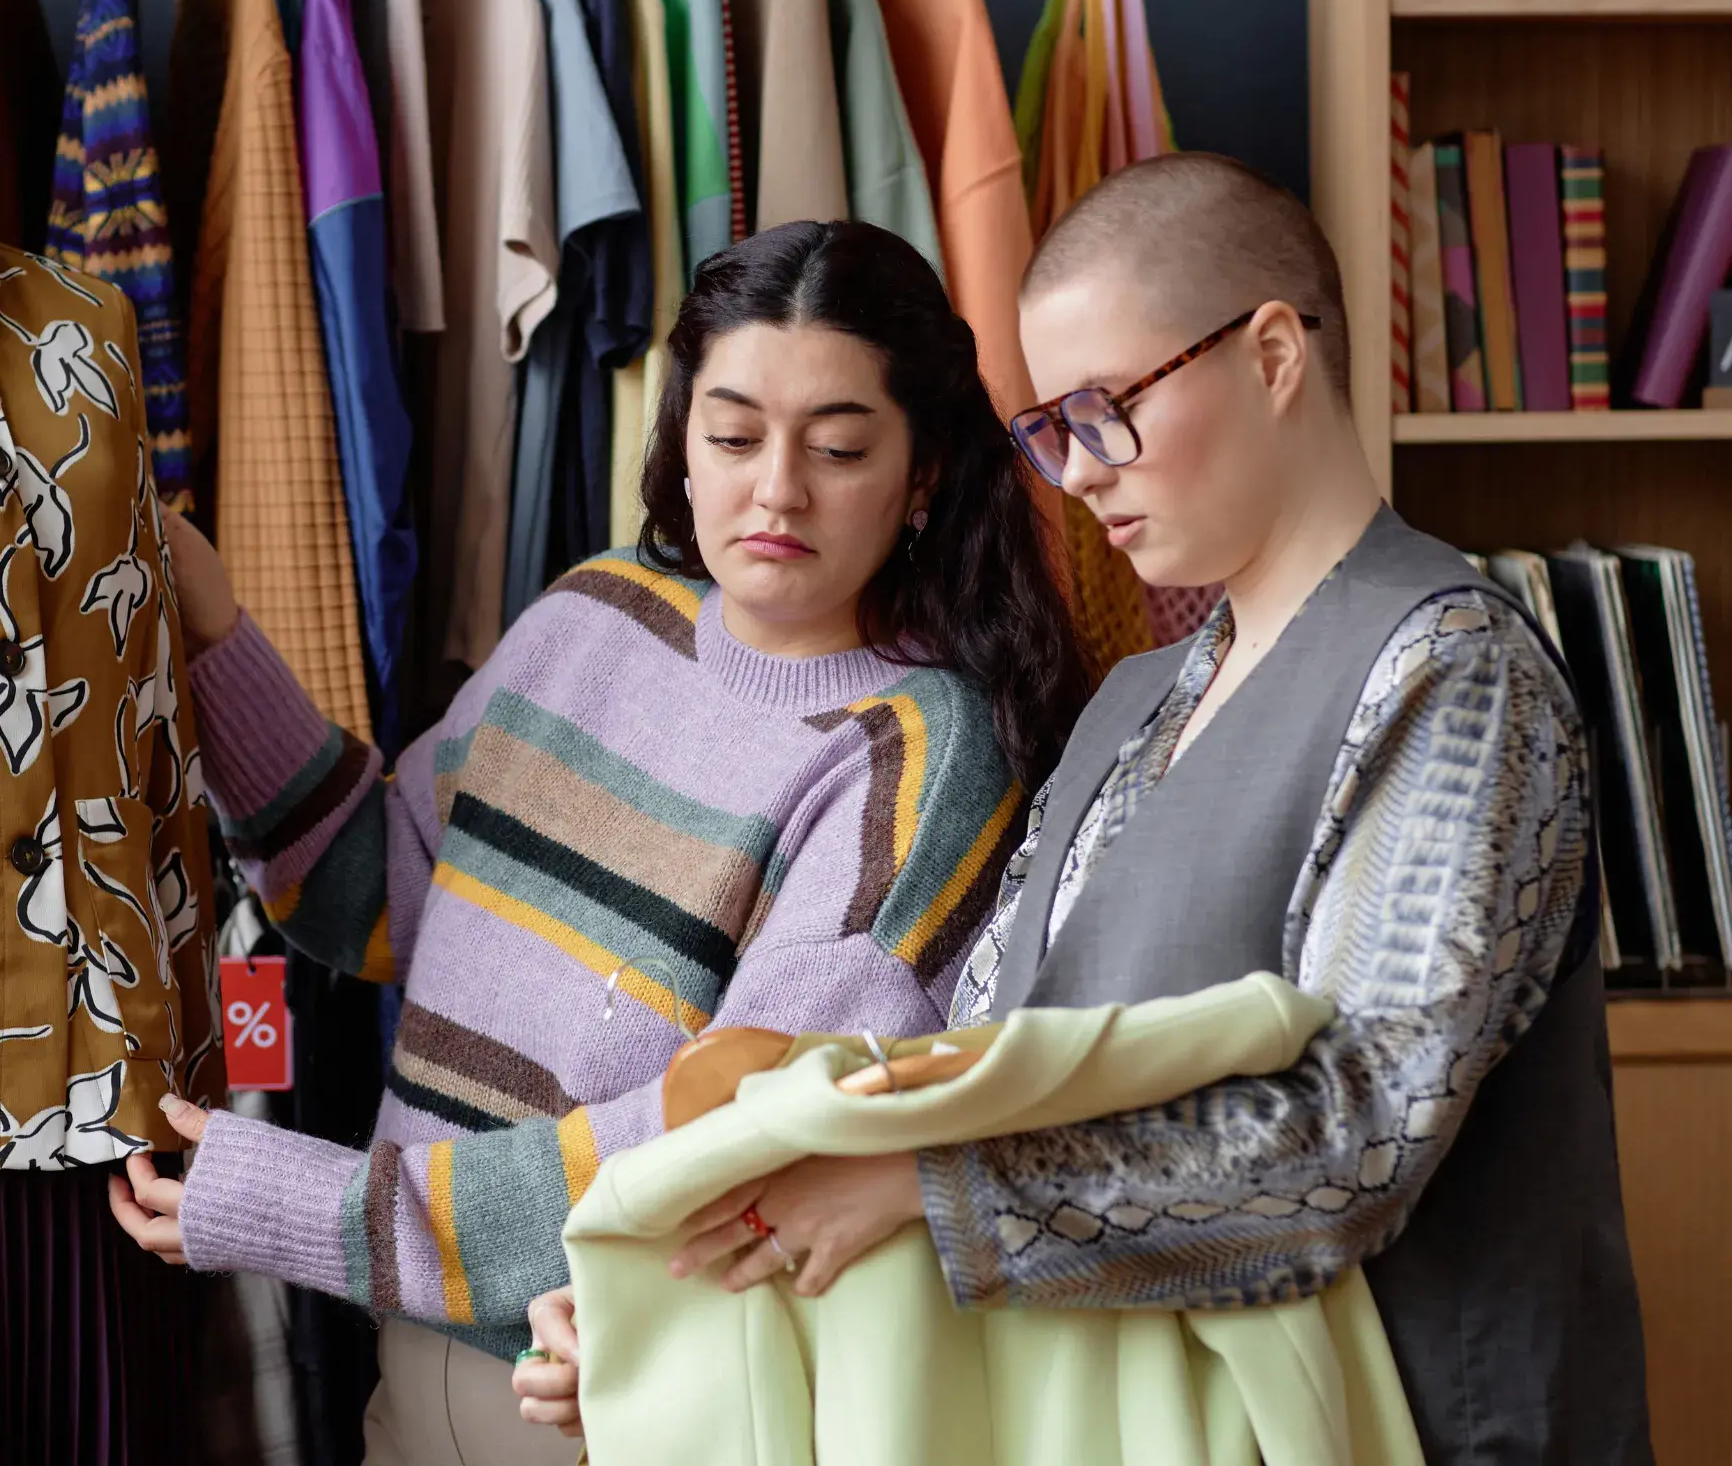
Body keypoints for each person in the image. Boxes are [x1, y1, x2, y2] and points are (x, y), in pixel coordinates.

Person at [516, 154, 1650, 1464]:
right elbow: (978, 1070)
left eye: (1107, 410)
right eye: (1048, 430)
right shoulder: (1132, 704)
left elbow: (1352, 1141)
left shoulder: (1452, 671)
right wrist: (693, 1283)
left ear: (1272, 352)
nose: (1077, 473)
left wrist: (921, 1196)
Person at [108, 219, 1085, 1462]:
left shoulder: (920, 756)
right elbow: (377, 891)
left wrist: (330, 1211)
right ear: (678, 440)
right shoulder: (597, 613)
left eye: (837, 447)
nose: (775, 487)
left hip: (631, 1391)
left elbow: (734, 1143)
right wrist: (213, 634)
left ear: (926, 473)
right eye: (731, 436)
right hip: (414, 1364)